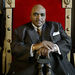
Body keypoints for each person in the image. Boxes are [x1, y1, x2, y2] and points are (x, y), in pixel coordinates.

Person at [9, 4, 75, 75]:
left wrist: (53, 47)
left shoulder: (56, 26)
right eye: (35, 14)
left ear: (45, 16)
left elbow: (68, 41)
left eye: (42, 15)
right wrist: (35, 46)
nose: (39, 18)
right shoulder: (20, 30)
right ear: (30, 16)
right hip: (29, 67)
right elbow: (14, 48)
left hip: (56, 66)